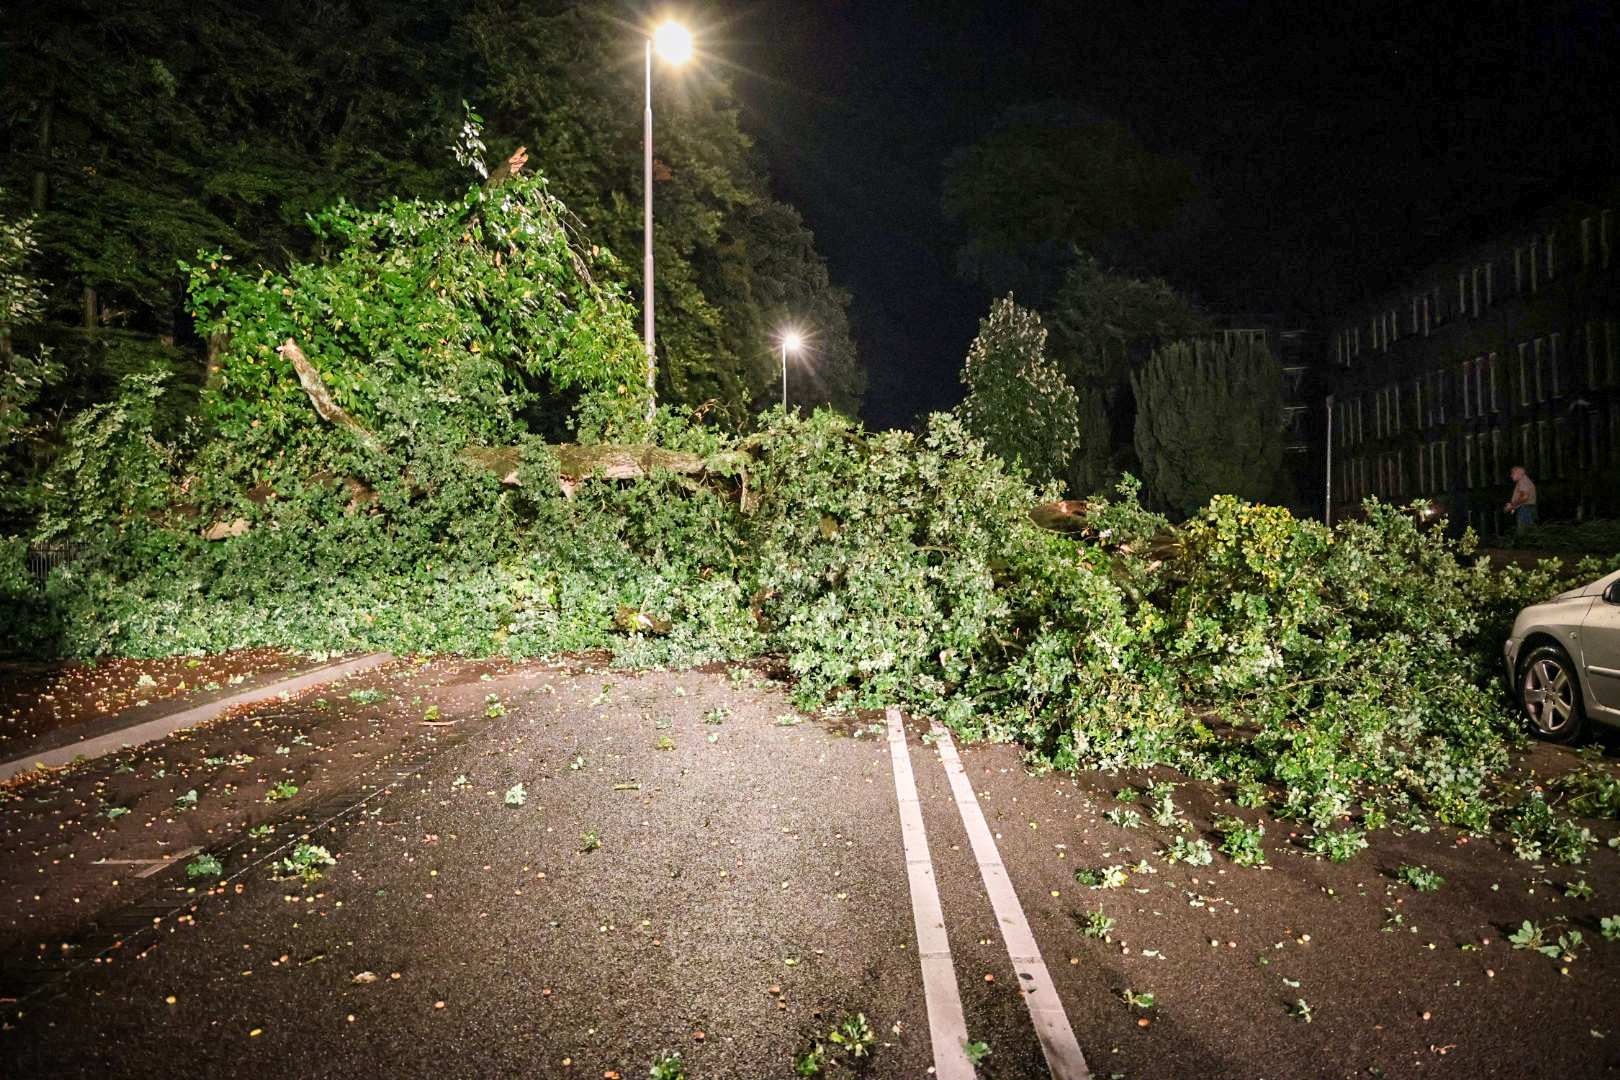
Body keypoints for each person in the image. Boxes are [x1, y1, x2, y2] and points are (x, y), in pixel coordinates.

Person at [1503, 464, 1537, 532]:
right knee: (1529, 531)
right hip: (1526, 509)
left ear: (1519, 473)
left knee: (1524, 532)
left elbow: (1524, 497)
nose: (1511, 475)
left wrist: (1512, 505)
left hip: (1525, 510)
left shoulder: (1523, 481)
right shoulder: (1524, 481)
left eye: (1512, 473)